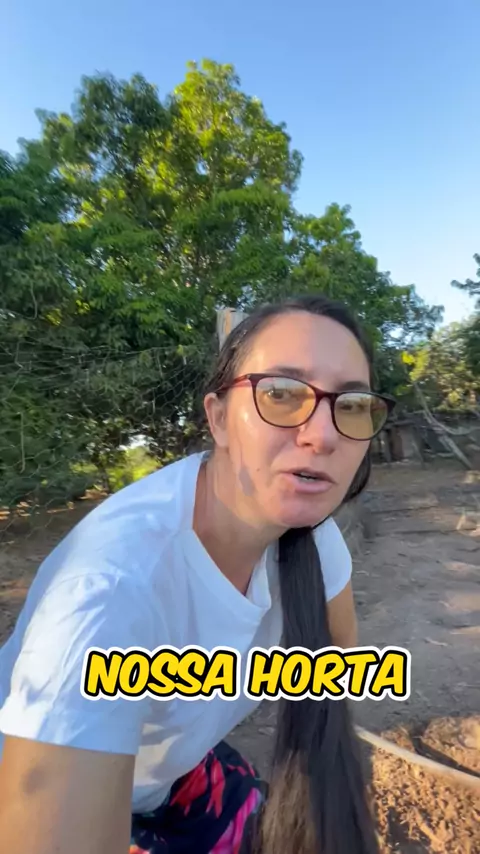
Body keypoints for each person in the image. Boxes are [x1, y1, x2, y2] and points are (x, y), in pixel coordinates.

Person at [0, 294, 395, 854]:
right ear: (218, 418)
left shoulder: (317, 542)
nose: (324, 435)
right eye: (281, 394)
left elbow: (336, 667)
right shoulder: (107, 595)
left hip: (171, 775)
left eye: (351, 405)